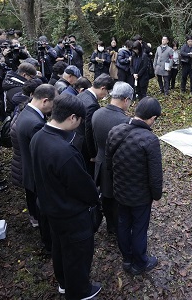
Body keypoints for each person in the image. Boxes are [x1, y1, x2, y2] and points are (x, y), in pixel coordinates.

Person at [30, 94, 102, 300]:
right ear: (72, 118)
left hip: (50, 207)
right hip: (71, 213)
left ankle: (64, 282)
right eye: (79, 120)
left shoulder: (39, 136)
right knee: (78, 254)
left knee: (60, 248)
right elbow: (83, 187)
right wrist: (95, 200)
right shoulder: (64, 151)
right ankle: (79, 291)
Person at [105, 97, 163, 275]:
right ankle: (140, 263)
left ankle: (127, 258)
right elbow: (155, 175)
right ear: (152, 118)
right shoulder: (150, 140)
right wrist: (157, 195)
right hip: (140, 196)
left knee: (123, 223)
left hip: (120, 191)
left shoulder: (115, 131)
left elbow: (109, 164)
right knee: (139, 228)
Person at [91, 81, 133, 235]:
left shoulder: (97, 113)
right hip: (117, 167)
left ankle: (110, 225)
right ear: (126, 100)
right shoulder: (125, 122)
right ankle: (117, 228)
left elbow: (92, 139)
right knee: (117, 201)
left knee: (105, 196)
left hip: (100, 161)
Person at [16, 84, 57, 237]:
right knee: (43, 211)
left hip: (28, 168)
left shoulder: (27, 112)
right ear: (45, 101)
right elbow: (43, 152)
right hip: (36, 173)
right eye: (54, 102)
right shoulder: (35, 124)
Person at [76, 73, 115, 176]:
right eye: (107, 92)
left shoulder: (82, 94)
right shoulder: (92, 105)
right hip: (84, 146)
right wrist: (93, 154)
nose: (106, 96)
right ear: (103, 88)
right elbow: (89, 131)